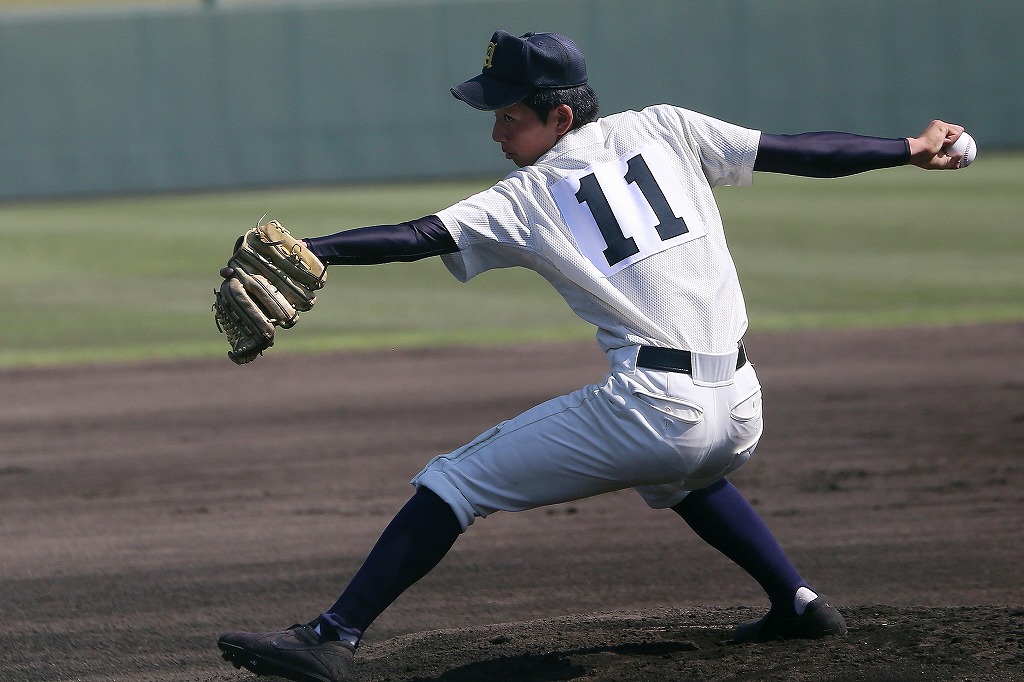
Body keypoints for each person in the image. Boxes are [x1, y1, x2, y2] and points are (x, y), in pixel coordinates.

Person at [217, 30, 970, 682]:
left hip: (655, 406)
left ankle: (332, 636)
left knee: (454, 481)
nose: (496, 133)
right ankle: (799, 602)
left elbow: (418, 237)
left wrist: (315, 249)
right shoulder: (666, 127)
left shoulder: (528, 194)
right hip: (741, 402)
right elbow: (798, 153)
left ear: (560, 116)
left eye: (508, 116)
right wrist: (905, 149)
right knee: (683, 476)